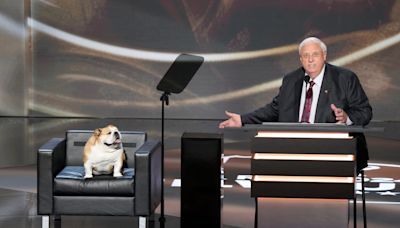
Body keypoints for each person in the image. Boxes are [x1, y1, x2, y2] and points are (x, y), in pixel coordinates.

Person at [219, 37, 372, 172]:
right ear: (300, 59)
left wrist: (347, 117)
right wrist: (242, 119)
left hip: (332, 149)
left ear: (324, 56)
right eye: (306, 56)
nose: (310, 59)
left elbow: (365, 111)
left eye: (315, 55)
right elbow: (274, 109)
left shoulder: (344, 78)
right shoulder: (291, 80)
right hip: (294, 147)